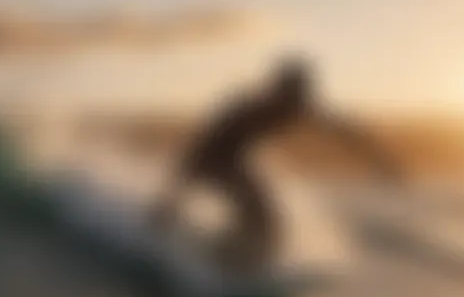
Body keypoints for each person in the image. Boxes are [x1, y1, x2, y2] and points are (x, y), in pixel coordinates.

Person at [152, 56, 404, 270]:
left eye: (297, 98)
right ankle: (222, 259)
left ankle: (230, 257)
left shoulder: (299, 108)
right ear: (275, 89)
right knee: (258, 216)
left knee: (269, 225)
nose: (291, 105)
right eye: (287, 96)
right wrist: (171, 199)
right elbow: (198, 149)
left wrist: (380, 161)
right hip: (209, 160)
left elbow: (343, 131)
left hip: (234, 162)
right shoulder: (247, 108)